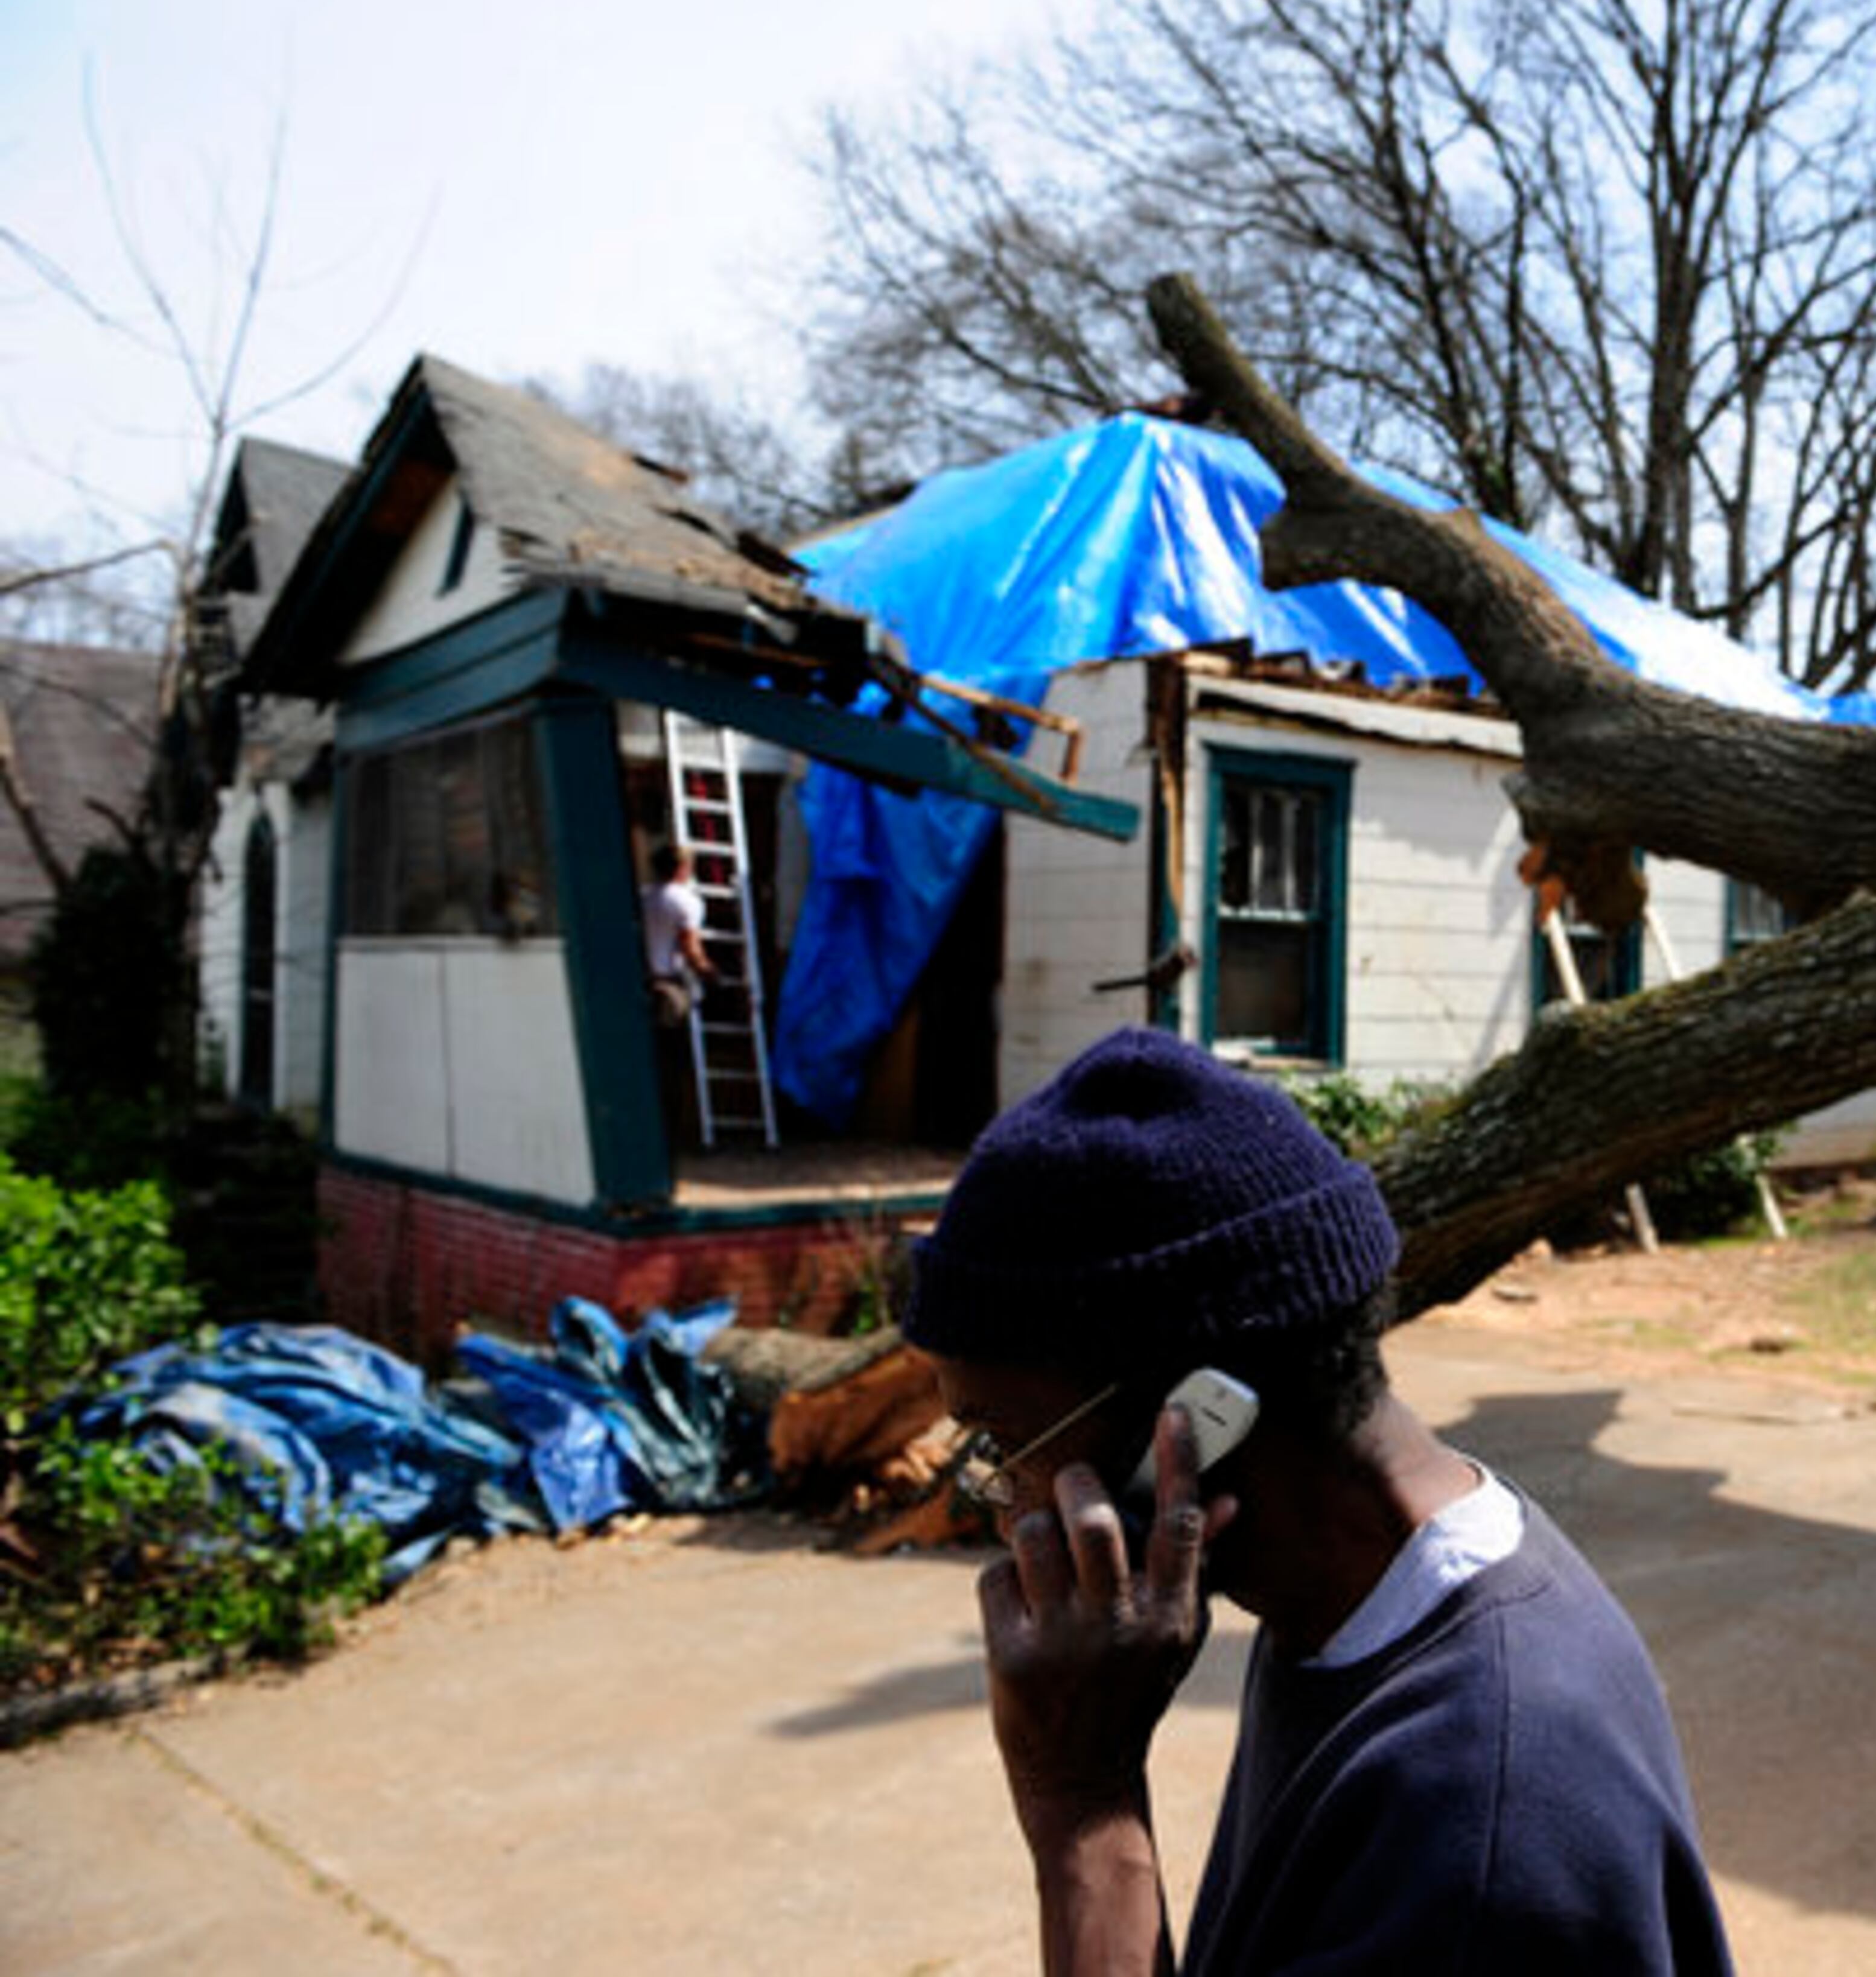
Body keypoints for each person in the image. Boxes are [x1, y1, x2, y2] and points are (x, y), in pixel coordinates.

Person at [905, 1026, 1731, 1976]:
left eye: (1007, 1446)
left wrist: (1081, 1806)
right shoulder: (1353, 1599)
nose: (1001, 1508)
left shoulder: (1480, 1828)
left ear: (1196, 1424)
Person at [641, 843, 716, 1146]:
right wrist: (712, 974)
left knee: (651, 1061)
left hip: (643, 982)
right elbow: (690, 947)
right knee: (673, 1063)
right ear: (684, 868)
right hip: (669, 987)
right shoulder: (686, 901)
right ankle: (673, 1135)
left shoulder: (643, 897)